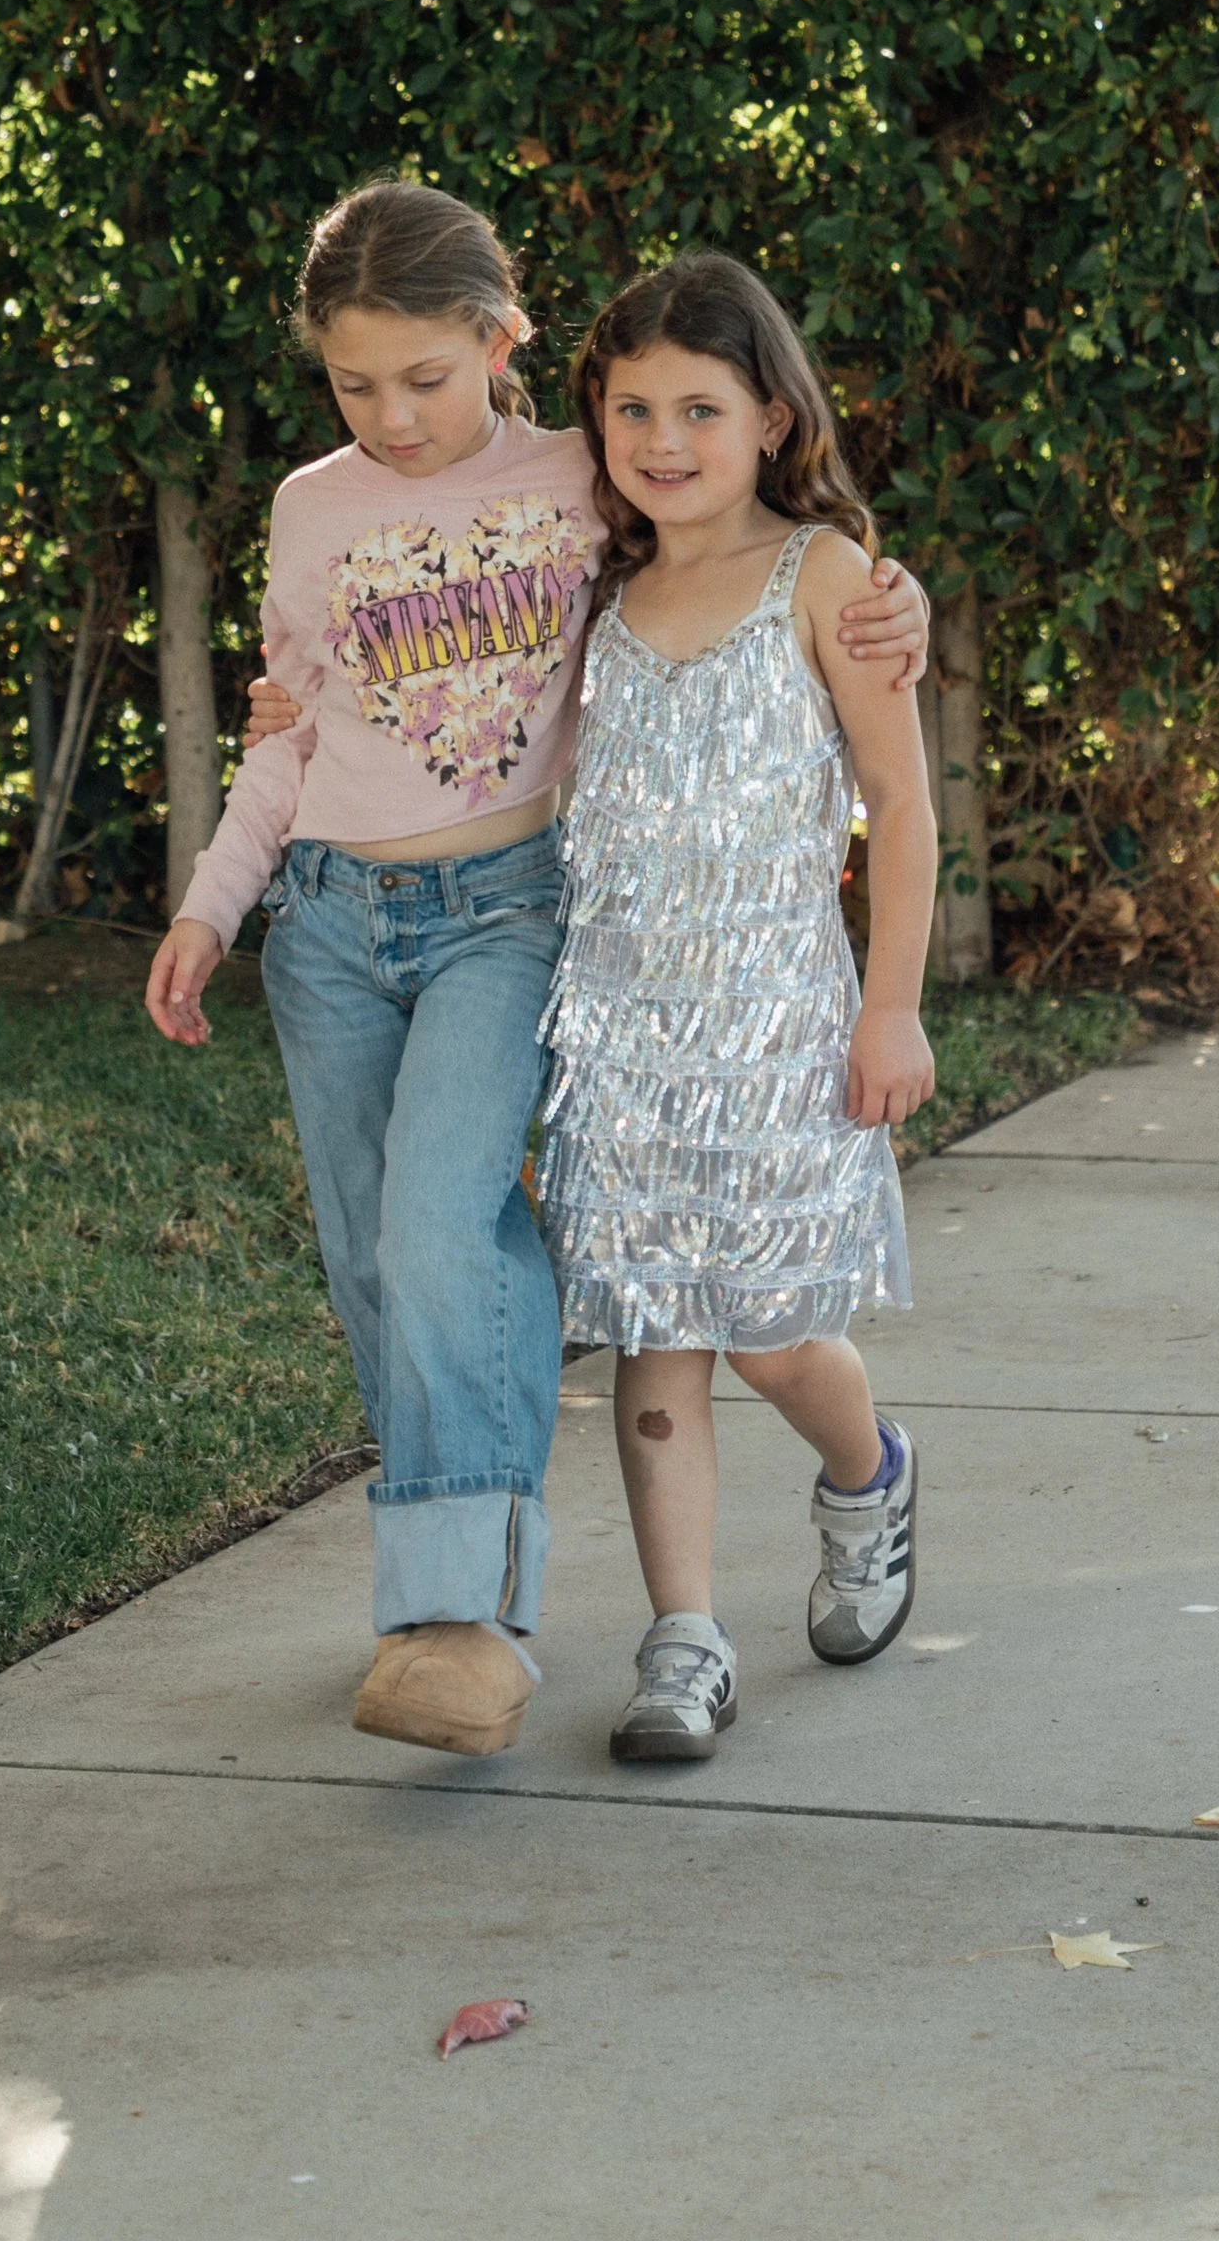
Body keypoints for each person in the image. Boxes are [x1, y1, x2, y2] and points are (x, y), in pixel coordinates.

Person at [143, 181, 930, 1762]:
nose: (394, 414)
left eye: (426, 377)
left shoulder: (592, 487)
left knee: (510, 1251)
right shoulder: (341, 515)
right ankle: (546, 1618)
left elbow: (815, 640)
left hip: (558, 933)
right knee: (421, 1278)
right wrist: (213, 902)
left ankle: (510, 1605)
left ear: (499, 344)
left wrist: (884, 587)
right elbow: (291, 732)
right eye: (355, 385)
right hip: (413, 951)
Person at [534, 251, 938, 1765]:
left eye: (699, 406)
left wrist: (887, 1009)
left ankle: (869, 1475)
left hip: (779, 1032)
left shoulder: (828, 583)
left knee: (774, 1338)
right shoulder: (593, 586)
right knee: (653, 1339)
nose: (661, 439)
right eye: (630, 406)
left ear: (773, 417)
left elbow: (898, 806)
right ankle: (684, 1640)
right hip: (623, 1039)